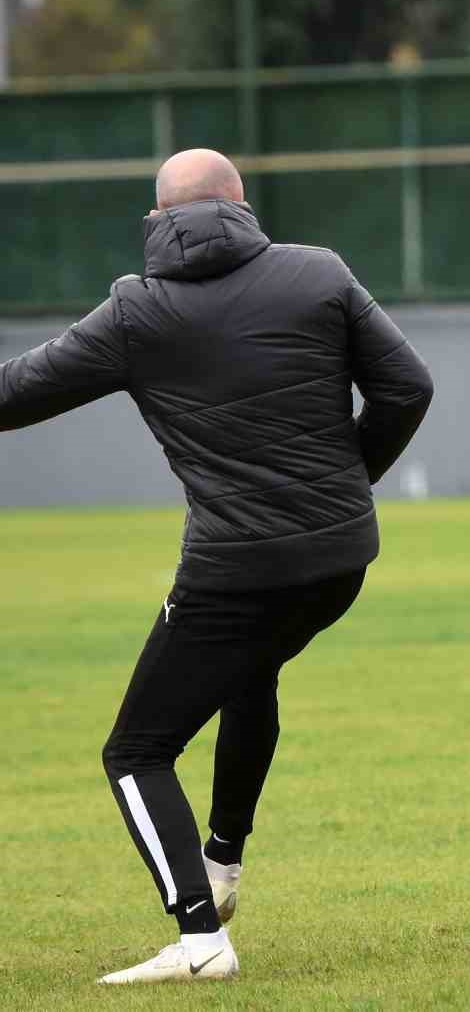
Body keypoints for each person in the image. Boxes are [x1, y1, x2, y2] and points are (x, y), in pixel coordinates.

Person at [0, 149, 434, 983]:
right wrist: (347, 483)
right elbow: (408, 387)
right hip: (340, 560)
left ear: (157, 219)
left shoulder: (137, 310)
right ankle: (224, 860)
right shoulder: (319, 273)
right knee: (251, 673)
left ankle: (200, 939)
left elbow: (16, 391)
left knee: (135, 750)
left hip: (234, 570)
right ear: (243, 205)